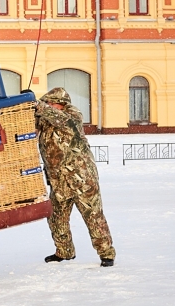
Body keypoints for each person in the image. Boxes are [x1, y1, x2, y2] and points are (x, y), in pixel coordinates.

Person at [35, 87, 116, 267]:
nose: (48, 106)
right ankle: (64, 252)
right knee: (55, 217)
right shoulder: (46, 120)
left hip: (82, 179)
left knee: (93, 216)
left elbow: (65, 122)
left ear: (61, 104)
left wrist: (40, 106)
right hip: (59, 181)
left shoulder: (72, 115)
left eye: (50, 103)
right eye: (46, 103)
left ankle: (106, 254)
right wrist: (26, 107)